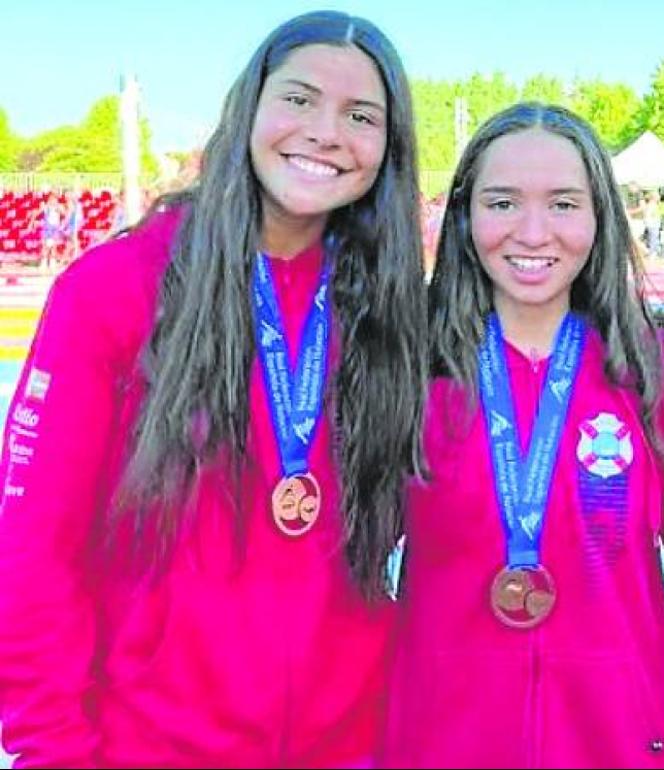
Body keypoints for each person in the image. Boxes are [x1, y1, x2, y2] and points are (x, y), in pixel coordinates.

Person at [0, 12, 427, 766]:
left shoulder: (388, 311)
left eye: (361, 115)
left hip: (349, 748)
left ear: (387, 150)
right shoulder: (113, 291)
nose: (326, 132)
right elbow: (30, 554)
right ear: (250, 110)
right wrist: (50, 750)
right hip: (147, 748)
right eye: (299, 98)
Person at [379, 102, 664, 768]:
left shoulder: (654, 369)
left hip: (612, 737)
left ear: (598, 218)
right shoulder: (412, 370)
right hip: (441, 738)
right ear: (465, 219)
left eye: (562, 203)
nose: (532, 232)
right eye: (502, 202)